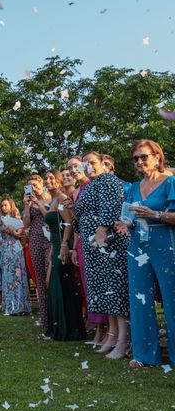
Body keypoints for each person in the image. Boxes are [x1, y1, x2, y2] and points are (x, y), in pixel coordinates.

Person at [114, 140, 175, 367]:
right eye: (136, 158)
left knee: (172, 298)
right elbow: (127, 218)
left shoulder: (170, 182)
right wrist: (123, 225)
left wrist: (155, 214)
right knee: (139, 298)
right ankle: (144, 354)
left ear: (157, 157)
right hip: (137, 245)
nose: (140, 161)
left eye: (144, 156)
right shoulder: (132, 188)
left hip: (165, 243)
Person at [74, 152, 129, 360]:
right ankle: (112, 336)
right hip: (93, 246)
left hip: (108, 243)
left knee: (114, 290)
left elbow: (112, 205)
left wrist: (102, 229)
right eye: (85, 164)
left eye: (93, 163)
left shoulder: (108, 179)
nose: (89, 167)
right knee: (104, 290)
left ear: (104, 164)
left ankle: (123, 340)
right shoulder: (90, 185)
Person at [68, 155, 108, 344]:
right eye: (71, 168)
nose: (74, 170)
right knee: (89, 284)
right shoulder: (79, 190)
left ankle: (107, 329)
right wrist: (75, 247)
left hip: (101, 240)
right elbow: (77, 220)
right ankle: (99, 327)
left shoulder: (101, 183)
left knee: (104, 283)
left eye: (77, 166)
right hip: (84, 241)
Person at [42, 171, 86, 341]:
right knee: (53, 283)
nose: (48, 181)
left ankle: (67, 329)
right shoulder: (53, 200)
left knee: (60, 284)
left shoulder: (60, 198)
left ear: (59, 180)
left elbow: (68, 224)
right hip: (55, 245)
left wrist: (63, 246)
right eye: (46, 178)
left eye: (52, 178)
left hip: (63, 246)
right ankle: (60, 327)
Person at [0, 198, 31, 316]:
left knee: (18, 277)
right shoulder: (0, 219)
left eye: (5, 205)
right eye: (2, 205)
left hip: (16, 249)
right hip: (5, 250)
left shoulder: (17, 218)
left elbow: (20, 235)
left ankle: (20, 307)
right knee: (8, 277)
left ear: (11, 206)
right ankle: (10, 306)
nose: (3, 207)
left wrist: (12, 231)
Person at [22, 175, 51, 328]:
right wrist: (27, 206)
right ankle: (44, 316)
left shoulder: (51, 198)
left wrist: (38, 202)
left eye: (35, 184)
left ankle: (55, 315)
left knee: (50, 277)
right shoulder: (30, 203)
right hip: (35, 240)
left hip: (50, 240)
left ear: (41, 184)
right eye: (30, 186)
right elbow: (26, 223)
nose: (33, 188)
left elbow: (51, 218)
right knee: (39, 279)